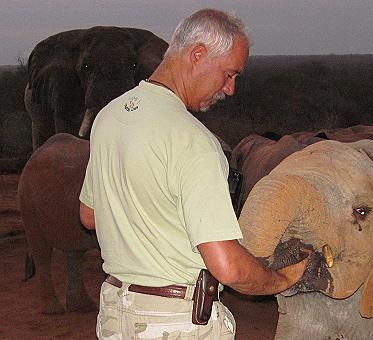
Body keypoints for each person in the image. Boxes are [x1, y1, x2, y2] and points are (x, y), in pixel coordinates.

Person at [79, 8, 310, 339]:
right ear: (198, 54)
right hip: (173, 323)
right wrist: (282, 279)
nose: (230, 89)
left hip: (117, 314)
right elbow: (227, 267)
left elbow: (88, 215)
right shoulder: (194, 141)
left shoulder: (108, 117)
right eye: (229, 74)